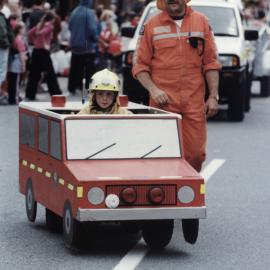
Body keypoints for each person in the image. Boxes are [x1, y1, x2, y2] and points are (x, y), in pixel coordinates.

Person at [132, 0, 221, 172]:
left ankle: (188, 194)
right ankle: (166, 195)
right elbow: (140, 65)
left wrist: (213, 96)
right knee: (162, 156)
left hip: (193, 103)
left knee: (196, 155)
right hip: (162, 104)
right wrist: (154, 90)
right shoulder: (151, 25)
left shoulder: (201, 21)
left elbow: (211, 63)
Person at [25, 11, 62, 100]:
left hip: (36, 51)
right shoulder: (49, 26)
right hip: (43, 52)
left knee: (34, 73)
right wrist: (45, 45)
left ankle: (30, 94)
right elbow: (41, 34)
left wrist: (34, 41)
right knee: (50, 73)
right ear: (52, 19)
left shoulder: (40, 24)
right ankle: (56, 93)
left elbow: (30, 33)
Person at [68, 0, 98, 95]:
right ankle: (89, 87)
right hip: (87, 45)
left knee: (75, 67)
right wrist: (95, 38)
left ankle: (73, 86)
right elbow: (92, 29)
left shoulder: (74, 11)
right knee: (89, 68)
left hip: (75, 44)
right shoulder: (89, 13)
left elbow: (70, 26)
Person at [7, 21, 27, 104]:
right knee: (16, 82)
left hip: (11, 63)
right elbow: (21, 54)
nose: (24, 30)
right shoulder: (19, 40)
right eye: (23, 28)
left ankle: (11, 97)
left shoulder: (14, 38)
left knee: (12, 81)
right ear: (20, 29)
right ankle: (15, 98)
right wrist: (23, 65)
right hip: (17, 63)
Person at [0, 0, 13, 104]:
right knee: (1, 70)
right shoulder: (1, 16)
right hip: (2, 46)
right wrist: (7, 43)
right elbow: (3, 32)